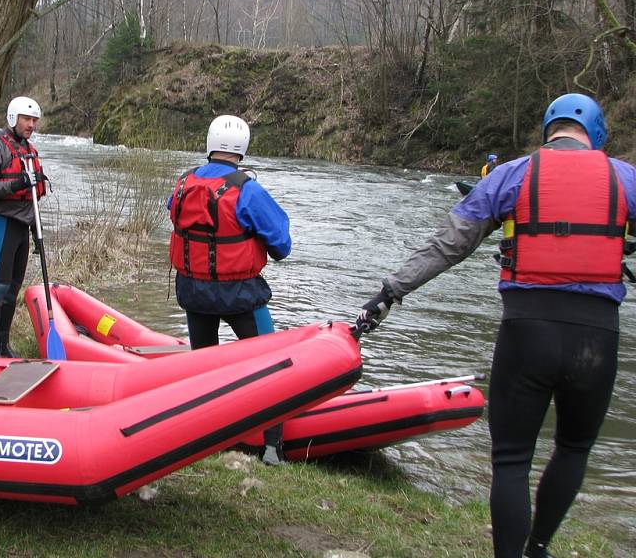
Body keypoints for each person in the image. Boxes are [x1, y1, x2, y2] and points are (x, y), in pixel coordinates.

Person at [355, 93, 635, 558]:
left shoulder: (513, 174)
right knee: (574, 448)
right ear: (598, 132)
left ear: (549, 130)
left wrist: (389, 292)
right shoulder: (625, 178)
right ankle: (539, 547)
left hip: (527, 333)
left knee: (511, 459)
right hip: (596, 339)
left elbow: (448, 245)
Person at [168, 114, 292, 466]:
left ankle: (204, 435)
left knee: (204, 365)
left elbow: (176, 217)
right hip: (241, 294)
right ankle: (272, 447)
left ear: (210, 144)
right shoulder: (248, 190)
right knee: (270, 365)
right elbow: (282, 245)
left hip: (194, 292)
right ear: (242, 149)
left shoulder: (181, 183)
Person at [0, 96, 47, 358]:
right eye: (27, 119)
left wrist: (37, 234)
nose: (31, 125)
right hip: (0, 221)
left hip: (22, 225)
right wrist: (16, 184)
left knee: (13, 288)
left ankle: (4, 344)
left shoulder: (28, 149)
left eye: (34, 120)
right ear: (14, 118)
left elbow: (34, 198)